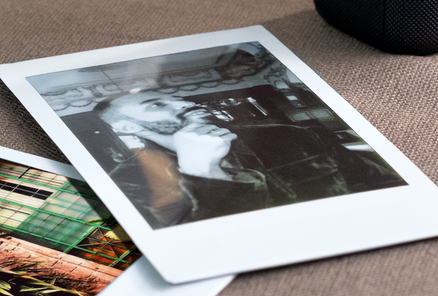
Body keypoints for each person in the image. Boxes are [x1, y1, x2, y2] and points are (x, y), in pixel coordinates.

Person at [91, 90, 401, 226]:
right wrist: (202, 171)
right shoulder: (130, 180)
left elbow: (382, 181)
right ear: (127, 127)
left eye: (176, 96)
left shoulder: (287, 134)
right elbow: (198, 250)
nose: (183, 102)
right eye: (157, 105)